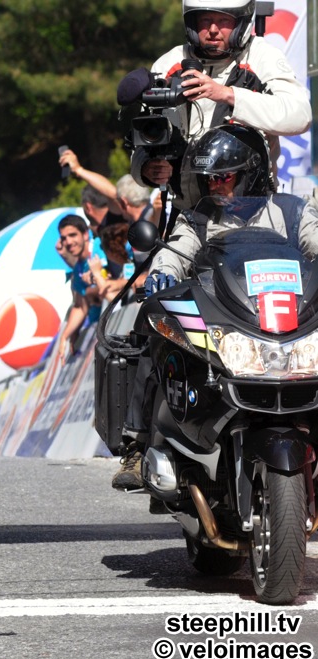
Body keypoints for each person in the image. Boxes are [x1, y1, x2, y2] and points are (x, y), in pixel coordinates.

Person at [114, 124, 318, 490]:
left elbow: (313, 241)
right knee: (156, 328)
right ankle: (136, 442)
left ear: (251, 173)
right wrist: (161, 274)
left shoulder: (291, 212)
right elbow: (176, 250)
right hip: (226, 324)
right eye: (209, 180)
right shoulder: (199, 217)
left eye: (224, 177)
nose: (215, 187)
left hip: (288, 322)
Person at [131, 1, 311, 212]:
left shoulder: (263, 57)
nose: (213, 29)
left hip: (251, 211)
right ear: (192, 23)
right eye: (205, 20)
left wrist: (229, 95)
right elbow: (144, 137)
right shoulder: (170, 63)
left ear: (241, 23)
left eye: (223, 20)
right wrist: (146, 168)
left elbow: (300, 116)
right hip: (187, 213)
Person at [57, 215, 109, 357]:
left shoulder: (99, 246)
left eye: (72, 235)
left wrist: (91, 289)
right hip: (97, 329)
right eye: (64, 238)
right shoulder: (77, 269)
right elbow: (80, 306)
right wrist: (65, 336)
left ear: (85, 234)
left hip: (116, 322)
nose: (68, 242)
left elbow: (111, 281)